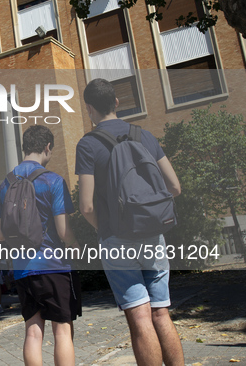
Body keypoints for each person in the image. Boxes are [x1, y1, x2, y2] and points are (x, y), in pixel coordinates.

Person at [75, 78, 184, 366]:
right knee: (161, 312)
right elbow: (174, 187)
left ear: (89, 108)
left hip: (116, 238)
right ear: (117, 103)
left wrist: (105, 230)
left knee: (139, 316)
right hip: (153, 233)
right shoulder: (144, 135)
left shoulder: (88, 144)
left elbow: (86, 205)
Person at [0, 125, 82, 365]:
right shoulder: (53, 180)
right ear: (47, 147)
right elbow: (63, 231)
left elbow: (0, 234)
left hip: (23, 269)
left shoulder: (5, 185)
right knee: (62, 330)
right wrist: (76, 246)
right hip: (53, 265)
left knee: (33, 332)